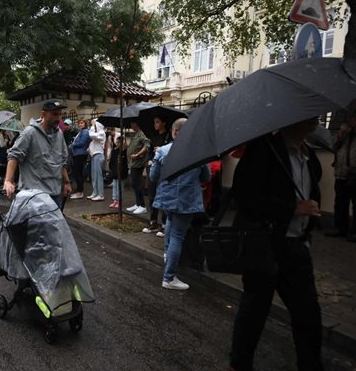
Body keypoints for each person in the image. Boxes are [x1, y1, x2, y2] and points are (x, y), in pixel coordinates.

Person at [228, 118, 323, 371]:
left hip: (297, 247)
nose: (315, 119)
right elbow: (245, 196)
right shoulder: (264, 149)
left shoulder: (309, 155)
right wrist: (292, 208)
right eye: (309, 115)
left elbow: (313, 192)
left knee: (308, 314)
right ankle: (240, 364)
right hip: (265, 244)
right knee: (255, 310)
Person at [150, 118, 210, 290]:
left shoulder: (162, 151)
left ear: (174, 132)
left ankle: (168, 256)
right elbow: (206, 177)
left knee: (170, 224)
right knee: (177, 235)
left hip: (166, 198)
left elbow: (154, 177)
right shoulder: (198, 153)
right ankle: (169, 278)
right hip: (187, 200)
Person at [4, 100, 72, 208]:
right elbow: (14, 156)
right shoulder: (30, 133)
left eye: (60, 115)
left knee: (54, 225)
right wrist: (8, 181)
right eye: (54, 114)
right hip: (33, 197)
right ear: (43, 114)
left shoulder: (59, 134)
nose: (58, 118)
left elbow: (61, 161)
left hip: (54, 195)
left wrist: (67, 182)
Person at [325, 114, 356, 242]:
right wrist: (341, 135)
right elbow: (333, 147)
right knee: (340, 202)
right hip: (340, 173)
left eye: (352, 118)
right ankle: (340, 228)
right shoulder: (344, 133)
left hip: (354, 174)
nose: (350, 121)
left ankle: (355, 232)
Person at [144, 116, 172, 235]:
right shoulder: (153, 137)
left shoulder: (169, 137)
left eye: (157, 122)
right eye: (154, 122)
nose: (155, 124)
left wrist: (161, 150)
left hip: (165, 170)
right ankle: (153, 222)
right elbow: (149, 152)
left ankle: (165, 224)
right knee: (152, 196)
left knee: (164, 196)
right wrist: (149, 160)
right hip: (153, 168)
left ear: (164, 123)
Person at [126, 120, 151, 215]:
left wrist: (137, 154)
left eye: (132, 123)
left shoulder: (142, 134)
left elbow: (146, 146)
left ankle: (142, 206)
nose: (131, 124)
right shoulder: (135, 134)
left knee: (137, 183)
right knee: (134, 183)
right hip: (132, 163)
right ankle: (138, 203)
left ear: (136, 123)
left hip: (138, 163)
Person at [69, 119, 91, 199]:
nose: (80, 124)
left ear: (85, 124)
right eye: (79, 123)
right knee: (77, 173)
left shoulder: (85, 132)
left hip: (80, 154)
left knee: (77, 173)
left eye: (82, 123)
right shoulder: (81, 132)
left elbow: (82, 142)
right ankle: (79, 190)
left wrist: (72, 145)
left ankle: (80, 192)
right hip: (77, 154)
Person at [87, 119, 106, 201]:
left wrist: (93, 126)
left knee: (98, 175)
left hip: (99, 155)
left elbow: (91, 135)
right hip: (94, 155)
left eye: (94, 125)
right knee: (94, 175)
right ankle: (95, 192)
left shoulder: (101, 133)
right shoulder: (97, 133)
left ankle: (100, 195)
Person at [108, 136, 128, 209]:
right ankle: (115, 200)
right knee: (115, 186)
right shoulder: (114, 151)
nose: (117, 144)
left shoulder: (124, 152)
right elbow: (111, 161)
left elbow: (125, 163)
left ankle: (119, 200)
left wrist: (123, 170)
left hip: (121, 173)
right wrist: (111, 169)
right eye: (117, 142)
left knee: (120, 187)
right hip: (114, 171)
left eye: (119, 142)